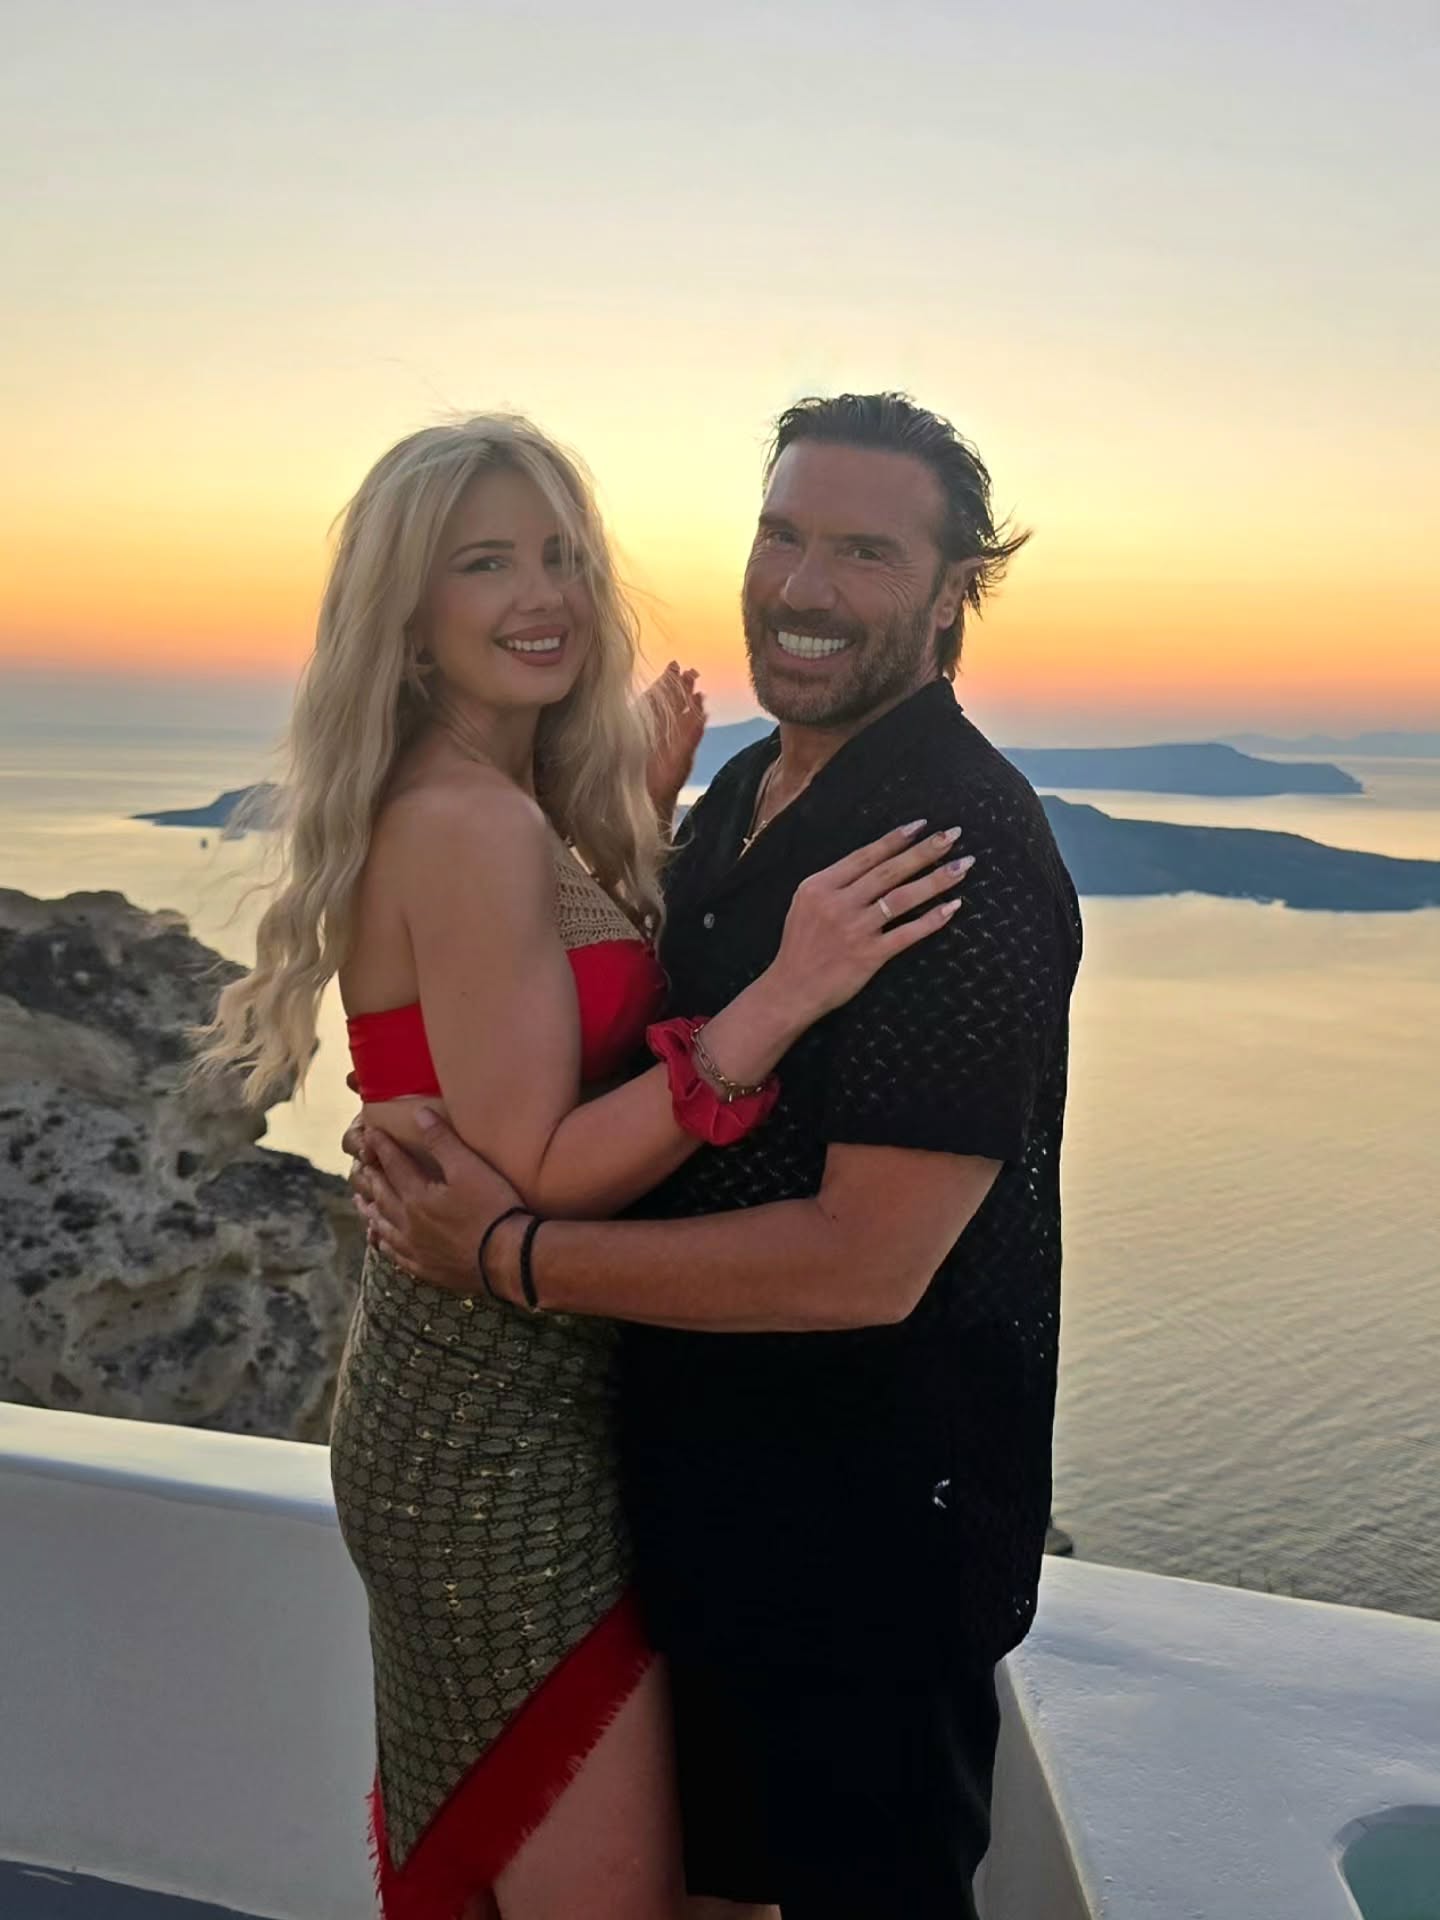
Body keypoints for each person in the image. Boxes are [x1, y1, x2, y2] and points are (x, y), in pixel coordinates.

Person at [198, 411, 970, 1920]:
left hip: (516, 1394)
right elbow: (539, 1168)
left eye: (558, 554)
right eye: (484, 563)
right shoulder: (470, 823)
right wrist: (781, 995)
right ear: (409, 612)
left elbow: (534, 1026)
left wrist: (642, 825)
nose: (541, 594)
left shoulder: (498, 809)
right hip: (489, 1424)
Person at [355, 393, 1084, 1920]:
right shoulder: (750, 793)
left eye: (866, 552)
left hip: (857, 1552)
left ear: (954, 592)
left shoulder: (958, 845)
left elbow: (863, 1264)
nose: (805, 586)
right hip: (683, 1511)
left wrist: (512, 1260)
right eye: (783, 534)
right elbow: (606, 1029)